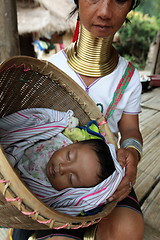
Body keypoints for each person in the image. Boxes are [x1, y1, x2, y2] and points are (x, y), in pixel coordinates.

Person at [10, 0, 144, 239]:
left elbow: (131, 130)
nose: (104, 12)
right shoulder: (48, 68)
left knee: (127, 229)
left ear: (131, 5)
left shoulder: (128, 77)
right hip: (49, 179)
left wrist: (132, 155)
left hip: (105, 173)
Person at [0, 107, 124, 216]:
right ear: (72, 143)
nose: (62, 168)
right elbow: (39, 125)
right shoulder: (57, 140)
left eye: (71, 178)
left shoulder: (49, 195)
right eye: (68, 156)